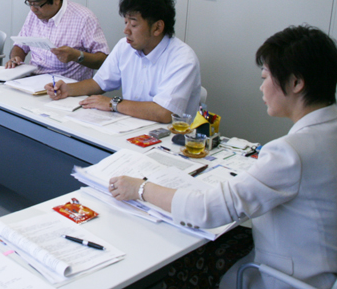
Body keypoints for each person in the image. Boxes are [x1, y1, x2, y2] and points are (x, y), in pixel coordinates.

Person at [109, 25, 337, 289]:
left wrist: (140, 188)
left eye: (266, 77)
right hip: (321, 265)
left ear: (296, 83)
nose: (261, 87)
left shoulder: (291, 152)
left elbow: (205, 210)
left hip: (288, 278)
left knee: (186, 260)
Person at [46, 0, 201, 123]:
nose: (126, 30)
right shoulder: (125, 46)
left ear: (157, 28)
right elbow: (99, 83)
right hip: (130, 126)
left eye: (133, 24)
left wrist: (113, 104)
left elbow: (164, 112)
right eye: (126, 22)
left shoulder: (182, 58)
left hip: (169, 137)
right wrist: (67, 89)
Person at [5, 0, 108, 81]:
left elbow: (103, 59)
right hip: (32, 80)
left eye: (37, 4)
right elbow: (20, 45)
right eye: (29, 3)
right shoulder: (34, 14)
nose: (33, 9)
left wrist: (77, 56)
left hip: (66, 86)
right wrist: (16, 58)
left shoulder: (84, 18)